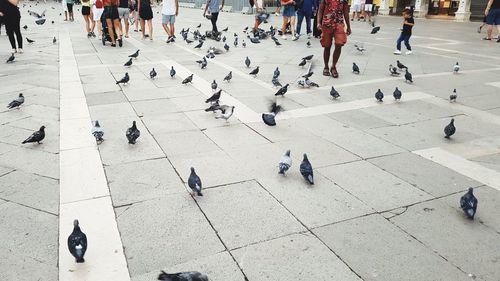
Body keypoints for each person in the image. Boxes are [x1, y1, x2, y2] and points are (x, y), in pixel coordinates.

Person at [317, 0, 350, 78]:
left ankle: (333, 67)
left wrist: (348, 26)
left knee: (339, 44)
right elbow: (320, 9)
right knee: (327, 46)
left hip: (339, 24)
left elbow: (346, 12)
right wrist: (318, 22)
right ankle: (326, 67)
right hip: (327, 23)